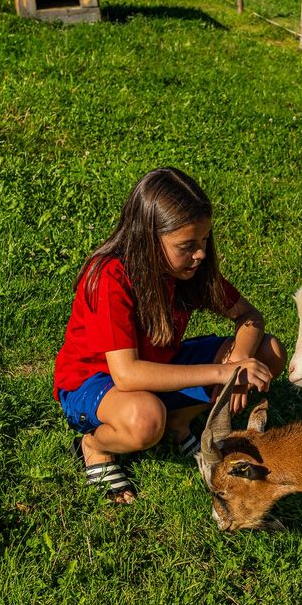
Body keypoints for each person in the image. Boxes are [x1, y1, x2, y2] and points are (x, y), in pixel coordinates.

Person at [53, 167, 286, 503]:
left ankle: (178, 423)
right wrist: (224, 372)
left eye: (204, 239)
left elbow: (250, 317)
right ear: (148, 239)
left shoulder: (188, 269)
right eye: (187, 245)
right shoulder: (109, 277)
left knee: (269, 352)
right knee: (145, 419)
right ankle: (95, 446)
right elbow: (127, 373)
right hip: (94, 382)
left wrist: (238, 360)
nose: (201, 253)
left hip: (161, 365)